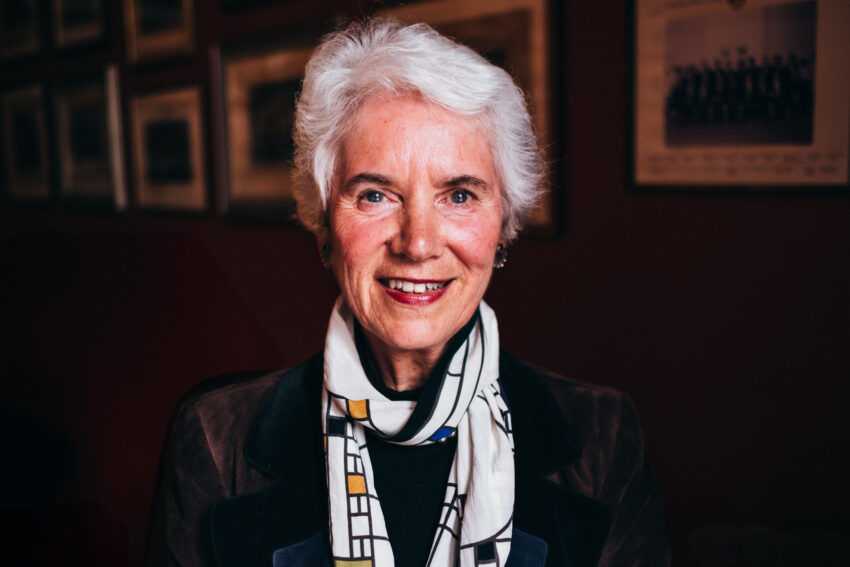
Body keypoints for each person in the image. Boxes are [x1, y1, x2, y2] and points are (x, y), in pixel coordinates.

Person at [143, 18, 669, 567]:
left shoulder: (602, 439)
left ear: (504, 227)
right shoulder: (213, 437)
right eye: (375, 194)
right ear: (323, 225)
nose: (417, 243)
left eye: (460, 195)